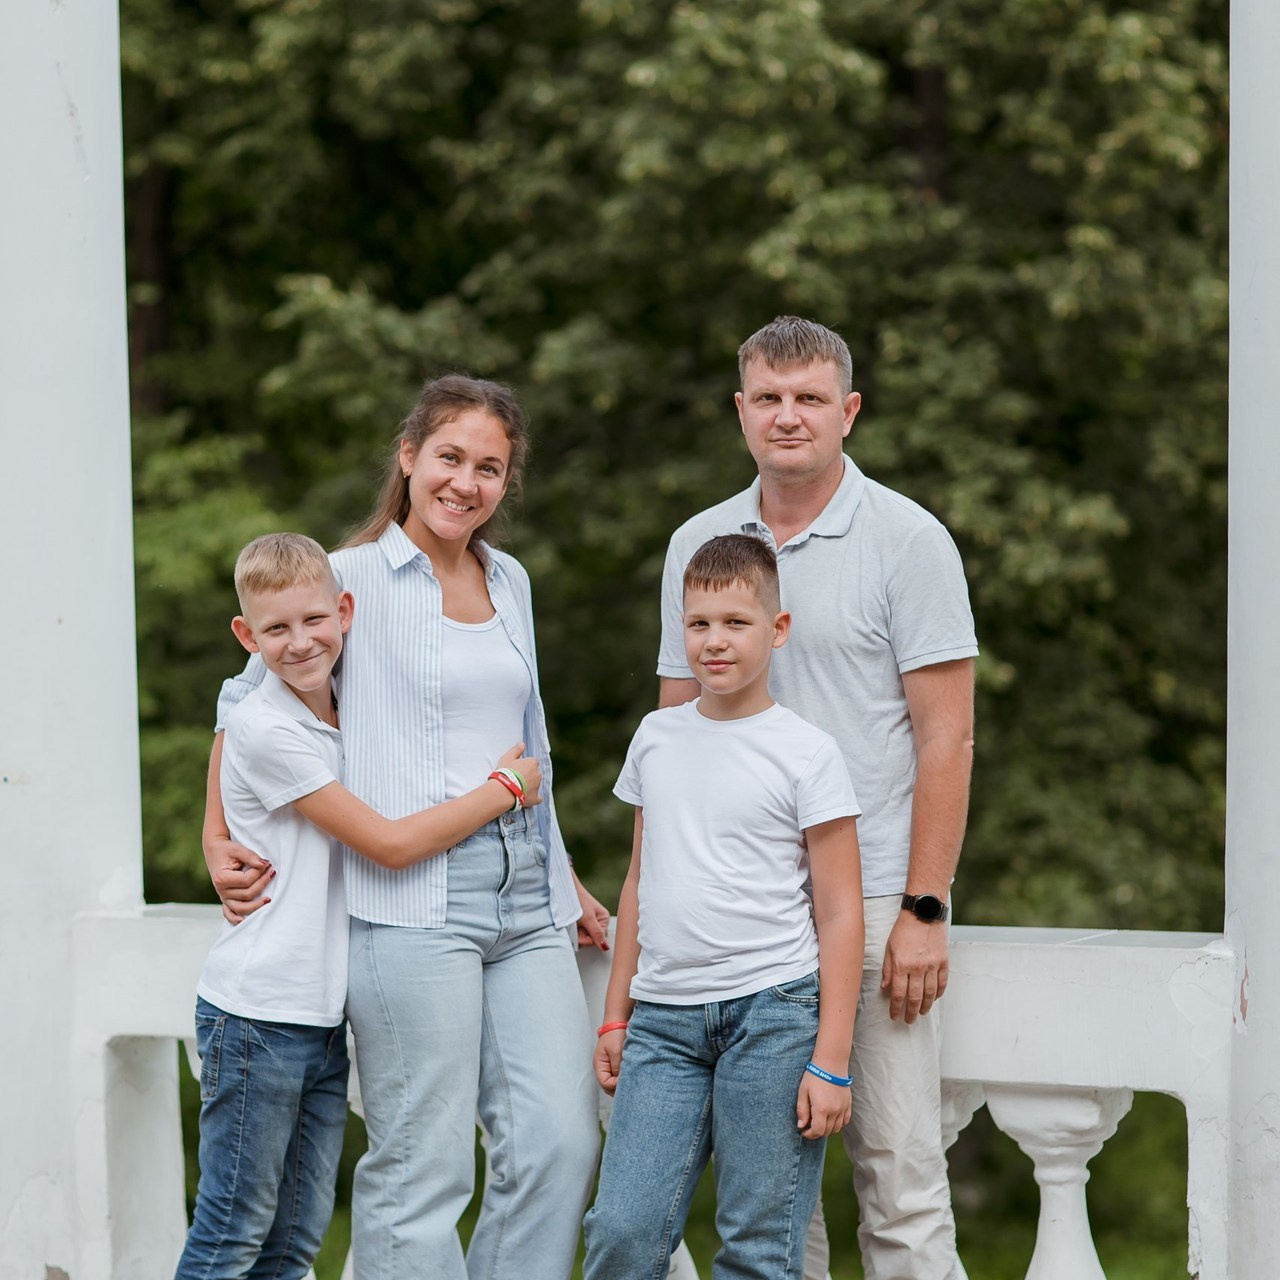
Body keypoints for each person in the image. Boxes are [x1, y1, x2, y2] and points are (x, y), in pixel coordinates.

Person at [202, 377, 603, 1280]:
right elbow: (240, 703)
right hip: (412, 898)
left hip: (525, 890)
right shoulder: (345, 582)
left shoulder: (513, 581)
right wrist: (212, 831)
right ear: (409, 457)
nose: (466, 482)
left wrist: (564, 880)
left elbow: (528, 744)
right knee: (423, 1167)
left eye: (489, 467)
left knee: (557, 1145)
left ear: (508, 481)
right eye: (450, 458)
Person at [657, 318, 978, 1280]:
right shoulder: (698, 546)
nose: (786, 416)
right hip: (742, 910)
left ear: (848, 411)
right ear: (741, 411)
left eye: (807, 398)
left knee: (900, 1177)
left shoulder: (907, 539)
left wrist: (925, 906)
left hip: (876, 897)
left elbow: (946, 736)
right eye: (768, 397)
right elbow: (673, 742)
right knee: (772, 1192)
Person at [178, 532, 548, 1279]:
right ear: (248, 637)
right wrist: (501, 793)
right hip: (257, 1014)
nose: (300, 642)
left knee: (293, 1245)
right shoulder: (271, 727)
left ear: (345, 613)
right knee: (231, 1235)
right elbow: (386, 844)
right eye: (275, 631)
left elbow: (231, 706)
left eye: (314, 621)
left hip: (319, 1019)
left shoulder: (350, 703)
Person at [583, 533, 864, 1280]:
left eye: (736, 623)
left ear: (777, 630)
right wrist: (617, 1011)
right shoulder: (656, 737)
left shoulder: (807, 753)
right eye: (699, 623)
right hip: (664, 1024)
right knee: (622, 1231)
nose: (715, 641)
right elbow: (640, 881)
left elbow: (840, 912)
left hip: (772, 1016)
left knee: (758, 1247)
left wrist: (831, 1061)